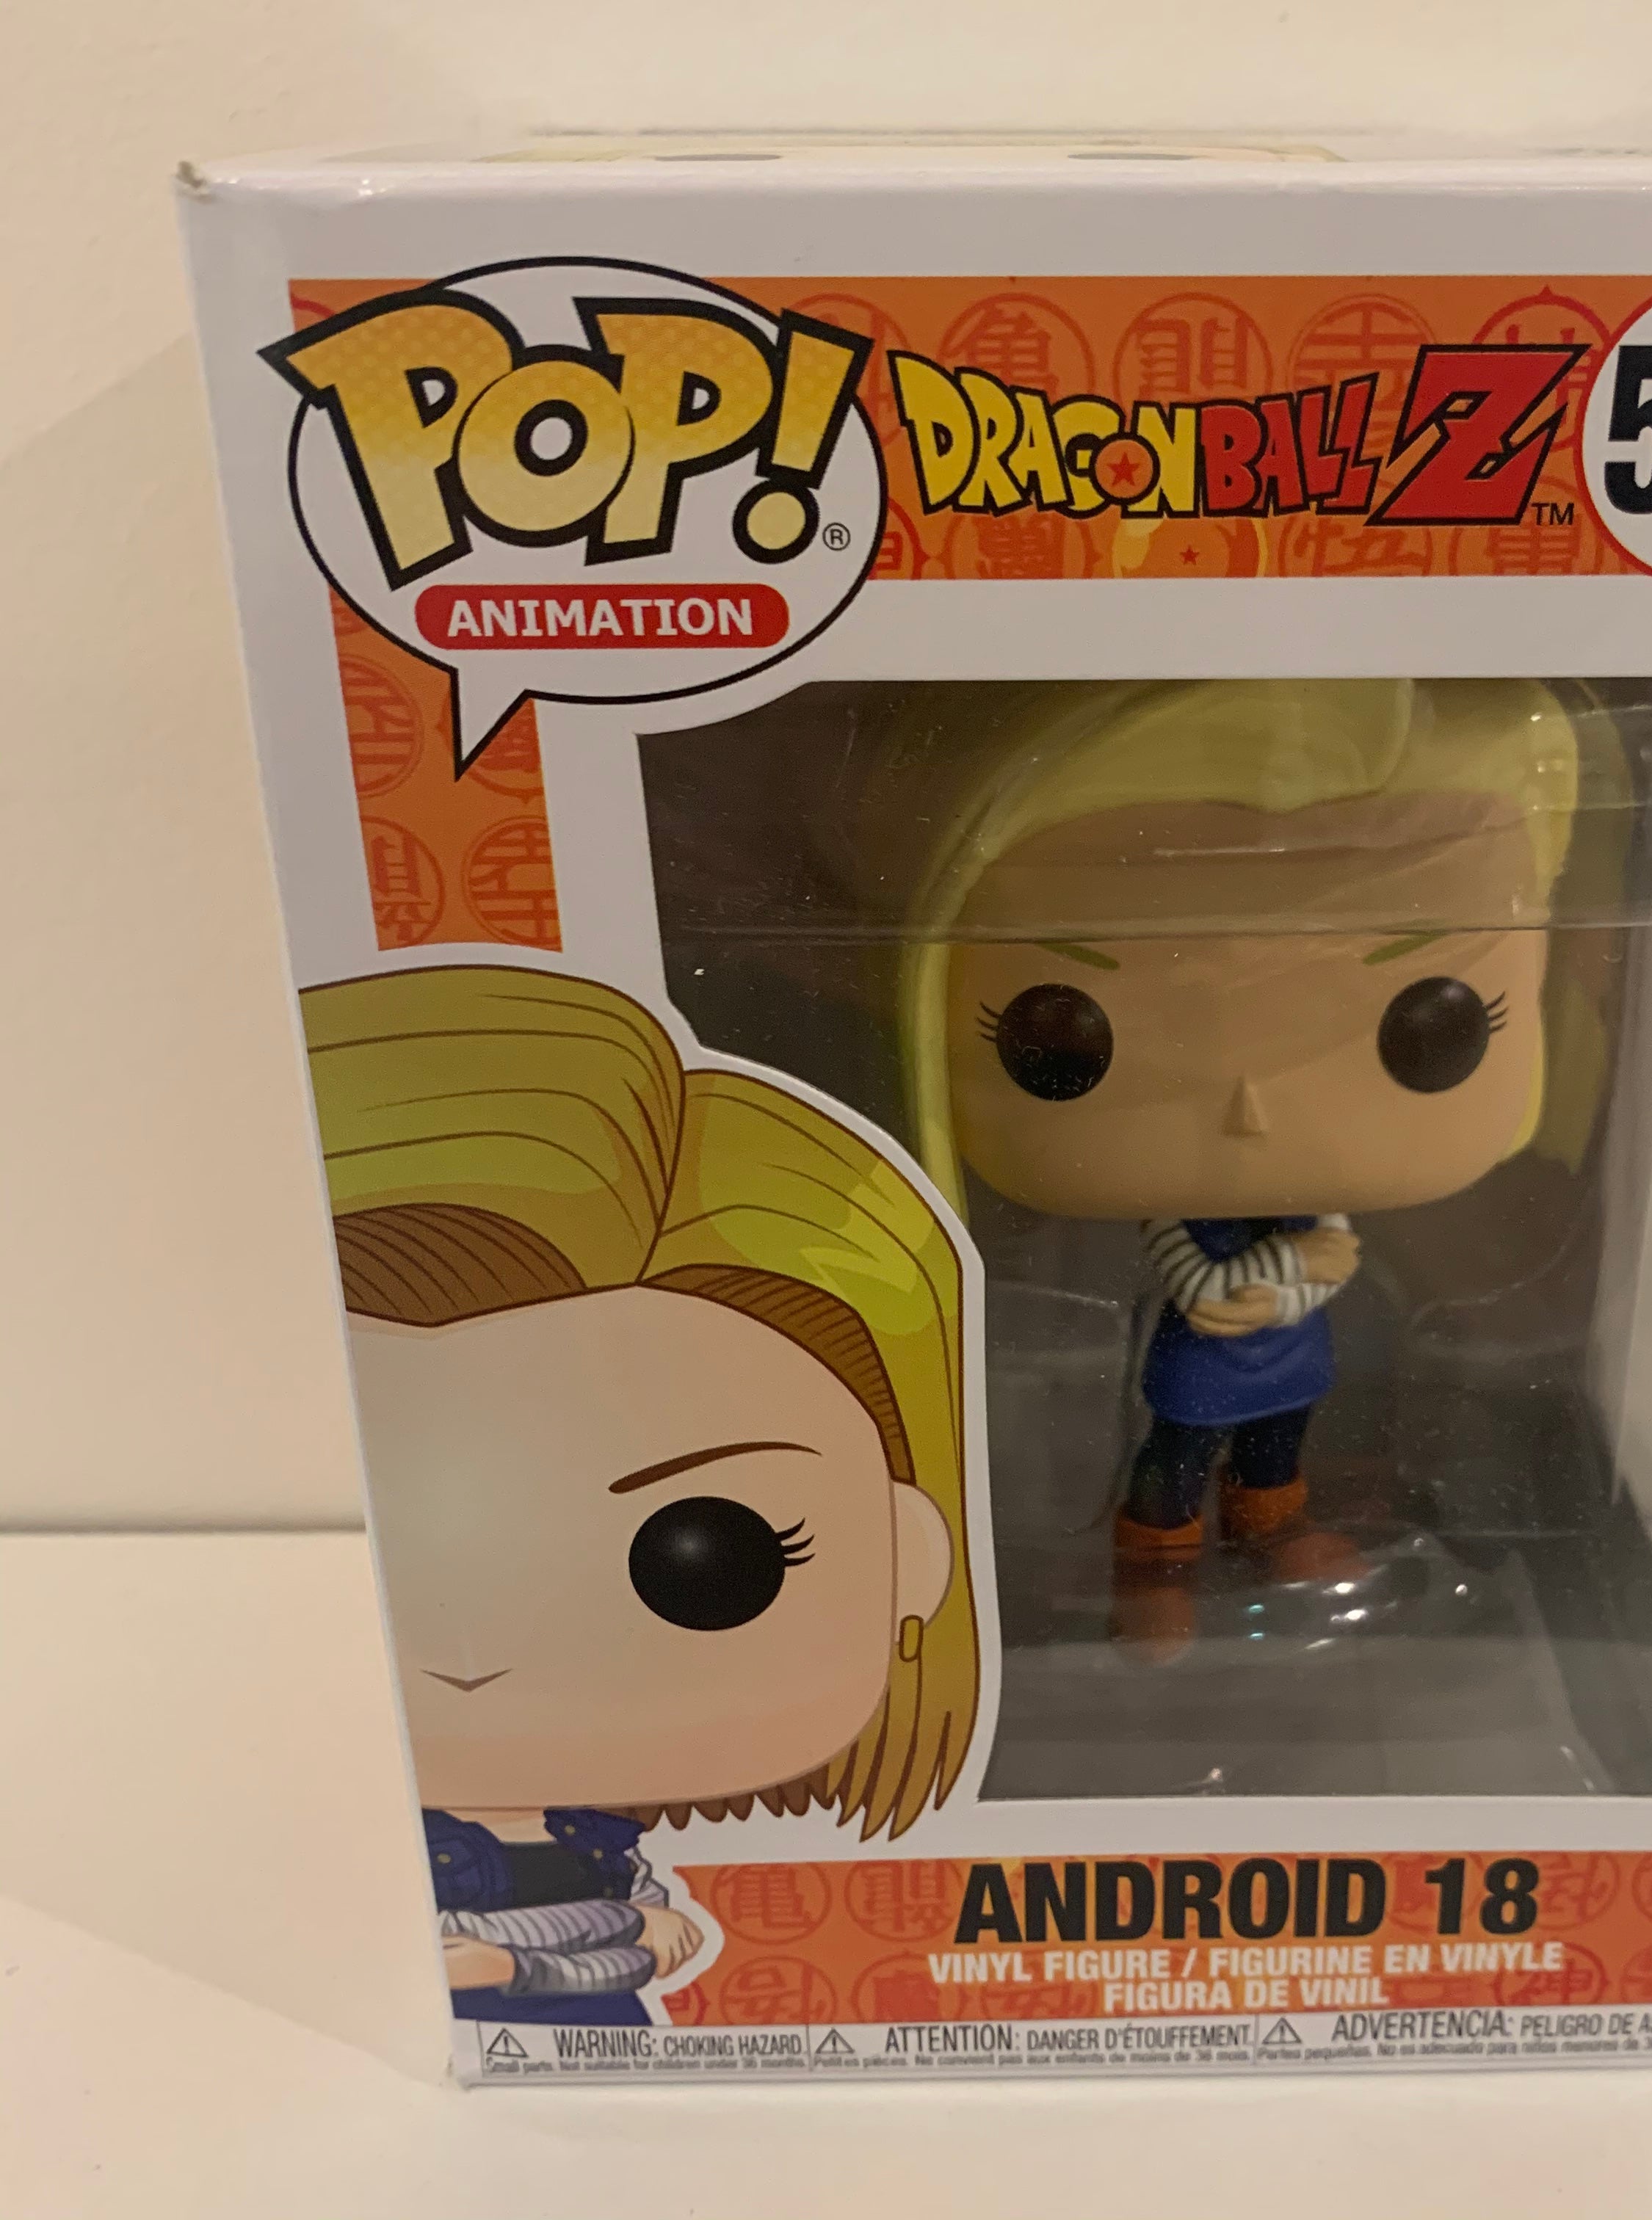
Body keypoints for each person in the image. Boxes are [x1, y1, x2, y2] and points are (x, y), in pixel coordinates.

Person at [304, 965, 978, 2019]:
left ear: (911, 1554)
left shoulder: (593, 1838)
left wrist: (596, 1947)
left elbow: (651, 1934)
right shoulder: (377, 1847)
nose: (474, 1653)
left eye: (706, 1560)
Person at [899, 678, 1584, 1651]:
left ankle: (1275, 1528)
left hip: (1290, 1360)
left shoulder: (1314, 1211)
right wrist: (1292, 1271)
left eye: (1433, 1028)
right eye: (1065, 1034)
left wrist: (1291, 1275)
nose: (1250, 1107)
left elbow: (1324, 1263)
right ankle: (1156, 1560)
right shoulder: (1188, 1214)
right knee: (1175, 1461)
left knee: (1276, 1449)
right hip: (1201, 1368)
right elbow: (1201, 1283)